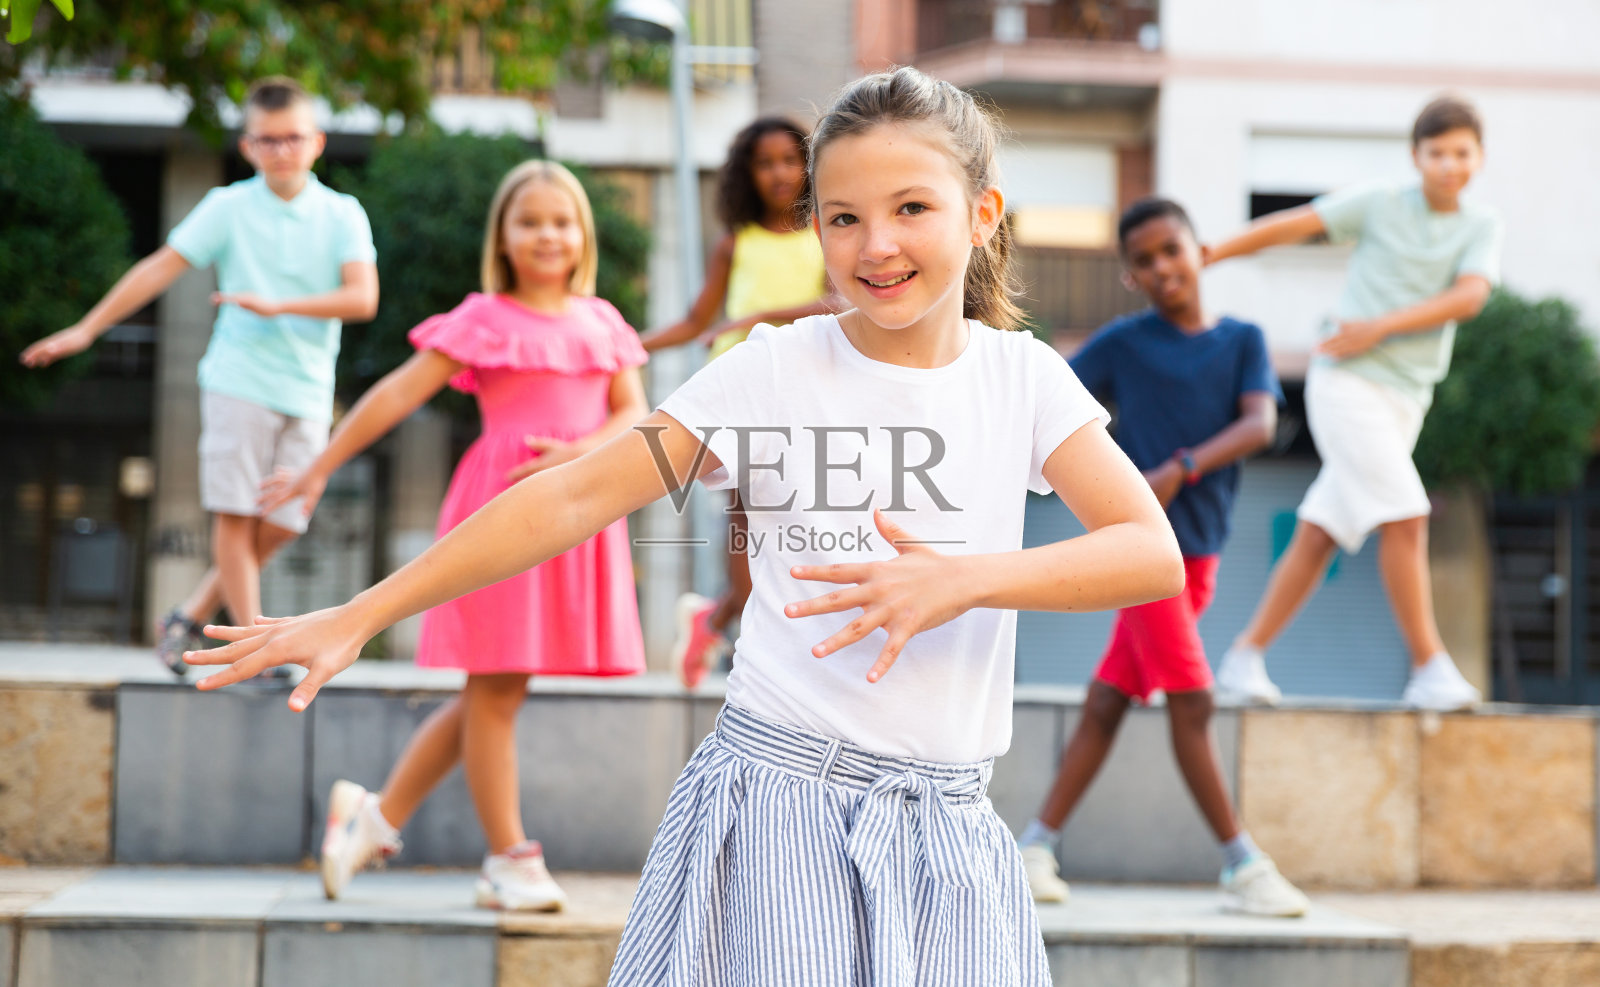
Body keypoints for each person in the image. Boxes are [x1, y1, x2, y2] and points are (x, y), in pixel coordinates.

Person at [189, 67, 1184, 983]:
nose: (875, 245)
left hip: (952, 827)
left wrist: (963, 579)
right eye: (841, 218)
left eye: (911, 209)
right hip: (780, 803)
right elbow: (575, 495)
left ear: (982, 214)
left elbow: (1147, 553)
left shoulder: (1020, 378)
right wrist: (363, 614)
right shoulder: (775, 366)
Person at [258, 160, 648, 911]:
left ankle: (374, 817)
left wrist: (584, 450)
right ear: (502, 235)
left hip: (578, 509)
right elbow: (397, 393)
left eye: (561, 221)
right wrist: (317, 467)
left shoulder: (603, 321)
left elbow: (634, 410)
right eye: (528, 220)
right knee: (496, 686)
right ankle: (510, 857)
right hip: (500, 512)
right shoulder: (481, 317)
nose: (546, 234)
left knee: (495, 689)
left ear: (583, 234)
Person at [20, 76, 379, 676]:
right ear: (248, 147)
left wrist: (278, 305)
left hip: (308, 390)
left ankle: (187, 615)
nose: (281, 150)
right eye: (268, 140)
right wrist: (87, 329)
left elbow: (361, 298)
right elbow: (161, 266)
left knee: (286, 522)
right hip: (237, 381)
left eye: (292, 138)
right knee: (235, 518)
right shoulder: (228, 207)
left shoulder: (342, 213)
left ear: (316, 142)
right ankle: (257, 650)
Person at [1016, 198, 1308, 918]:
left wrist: (1179, 466)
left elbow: (1259, 423)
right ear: (1130, 276)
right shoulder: (1123, 344)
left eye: (1170, 250)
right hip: (1143, 551)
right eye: (1143, 261)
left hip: (1201, 554)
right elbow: (1049, 398)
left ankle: (1033, 846)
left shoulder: (1242, 340)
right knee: (1193, 697)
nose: (1161, 268)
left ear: (1198, 250)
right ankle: (1242, 862)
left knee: (1112, 699)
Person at [1206, 95, 1502, 711]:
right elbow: (1295, 225)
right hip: (1347, 384)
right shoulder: (1381, 202)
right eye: (1437, 153)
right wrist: (1213, 252)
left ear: (1479, 157)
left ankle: (1243, 658)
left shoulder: (1480, 227)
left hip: (1406, 398)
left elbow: (1470, 297)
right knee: (1408, 516)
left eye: (1462, 153)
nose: (1450, 164)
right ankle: (1428, 667)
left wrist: (1383, 325)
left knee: (1320, 533)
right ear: (1416, 157)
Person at [638, 116, 838, 687]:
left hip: (804, 388)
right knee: (745, 523)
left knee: (798, 527)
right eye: (765, 162)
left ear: (810, 167)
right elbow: (697, 322)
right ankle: (743, 633)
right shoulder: (736, 244)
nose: (779, 173)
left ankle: (717, 615)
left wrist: (760, 317)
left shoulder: (827, 231)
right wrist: (624, 344)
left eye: (789, 160)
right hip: (739, 392)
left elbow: (838, 304)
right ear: (746, 175)